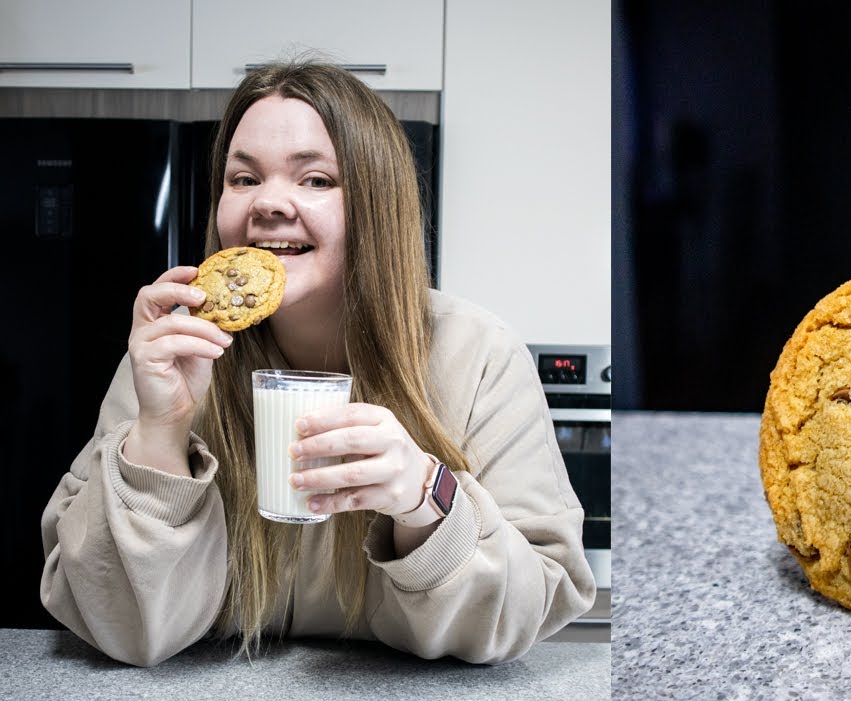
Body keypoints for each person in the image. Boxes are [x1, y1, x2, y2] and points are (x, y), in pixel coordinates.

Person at [39, 61, 596, 667]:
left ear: (378, 207)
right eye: (243, 178)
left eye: (315, 180)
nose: (269, 203)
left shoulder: (479, 356)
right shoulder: (174, 358)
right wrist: (160, 433)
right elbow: (111, 621)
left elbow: (533, 606)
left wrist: (422, 501)